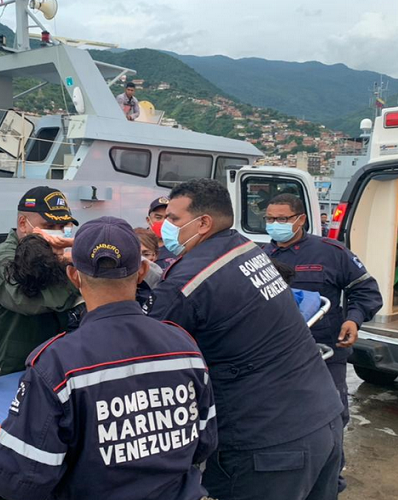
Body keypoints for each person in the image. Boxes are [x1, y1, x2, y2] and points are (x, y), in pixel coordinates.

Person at [0, 216, 217, 500]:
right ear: (143, 271)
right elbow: (204, 442)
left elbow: (20, 480)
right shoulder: (185, 347)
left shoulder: (56, 364)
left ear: (73, 276)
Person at [145, 179, 344, 500]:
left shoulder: (186, 282)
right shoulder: (246, 249)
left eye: (174, 219)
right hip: (322, 420)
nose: (165, 227)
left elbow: (146, 360)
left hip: (269, 447)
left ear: (204, 222)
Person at [263, 194, 383, 492]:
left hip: (326, 352)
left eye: (282, 219)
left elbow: (366, 290)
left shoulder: (331, 252)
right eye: (269, 219)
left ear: (300, 219)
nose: (275, 225)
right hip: (275, 355)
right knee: (281, 416)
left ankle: (331, 479)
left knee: (331, 415)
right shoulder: (257, 257)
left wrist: (353, 319)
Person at [0, 186, 80, 376]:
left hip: (48, 364)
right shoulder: (3, 260)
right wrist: (75, 280)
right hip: (8, 369)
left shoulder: (63, 255)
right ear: (23, 224)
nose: (58, 234)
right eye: (49, 227)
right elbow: (26, 301)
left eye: (64, 227)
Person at [134, 227, 163, 305]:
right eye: (135, 255)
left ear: (155, 255)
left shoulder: (163, 284)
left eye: (146, 254)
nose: (141, 260)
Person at [146, 196, 178, 270]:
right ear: (148, 220)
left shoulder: (181, 246)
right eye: (158, 217)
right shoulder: (137, 243)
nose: (163, 222)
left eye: (168, 218)